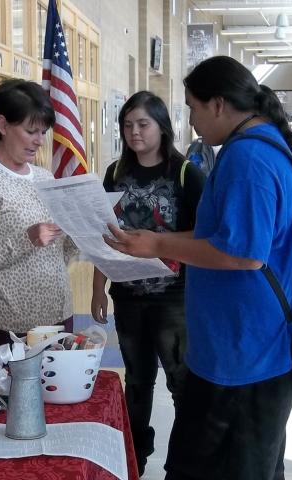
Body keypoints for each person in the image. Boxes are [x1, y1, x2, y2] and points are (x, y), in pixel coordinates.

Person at [103, 56, 292, 480]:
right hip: (238, 350)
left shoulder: (248, 158)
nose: (192, 122)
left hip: (244, 355)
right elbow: (224, 237)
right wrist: (153, 244)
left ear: (218, 104)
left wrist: (157, 242)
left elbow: (244, 253)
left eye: (193, 107)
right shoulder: (252, 148)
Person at [91, 90, 205, 476]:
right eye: (127, 125)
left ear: (162, 127)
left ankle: (184, 463)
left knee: (181, 383)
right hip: (127, 296)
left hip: (174, 297)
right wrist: (97, 288)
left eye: (142, 124)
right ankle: (134, 459)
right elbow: (104, 234)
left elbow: (207, 236)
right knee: (137, 383)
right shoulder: (114, 174)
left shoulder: (186, 173)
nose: (134, 132)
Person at [0, 79, 78, 347]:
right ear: (3, 125)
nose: (40, 141)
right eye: (32, 131)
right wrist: (28, 239)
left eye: (43, 132)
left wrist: (81, 233)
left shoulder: (45, 178)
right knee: (16, 391)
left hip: (60, 316)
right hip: (10, 327)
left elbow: (61, 253)